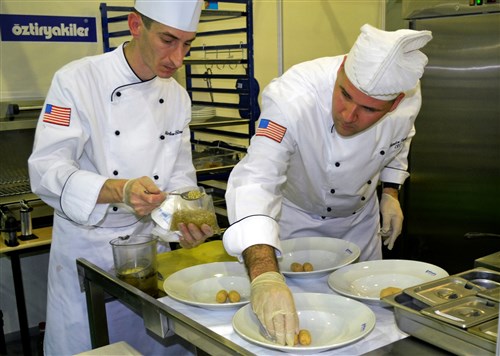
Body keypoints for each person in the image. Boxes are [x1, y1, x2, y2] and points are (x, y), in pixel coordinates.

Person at [223, 24, 433, 346]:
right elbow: (257, 177)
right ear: (340, 70)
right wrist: (265, 274)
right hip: (296, 227)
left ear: (393, 104)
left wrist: (391, 191)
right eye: (344, 94)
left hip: (359, 227)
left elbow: (400, 141)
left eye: (369, 109)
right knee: (291, 332)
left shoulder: (408, 99)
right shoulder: (293, 95)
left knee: (371, 331)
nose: (348, 115)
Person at [28, 0, 212, 354]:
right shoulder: (75, 80)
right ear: (134, 25)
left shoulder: (177, 97)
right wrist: (118, 190)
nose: (178, 59)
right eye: (168, 40)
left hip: (148, 254)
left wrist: (184, 222)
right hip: (88, 251)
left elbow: (180, 180)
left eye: (188, 43)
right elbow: (46, 170)